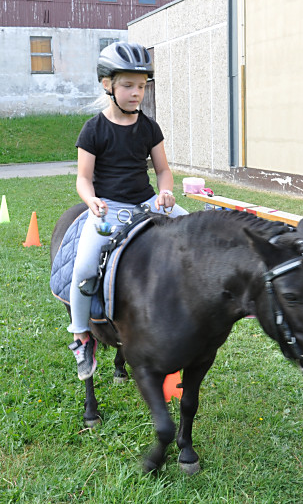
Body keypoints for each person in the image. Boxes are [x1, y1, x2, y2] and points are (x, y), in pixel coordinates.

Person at [67, 41, 188, 380]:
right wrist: (91, 201)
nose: (137, 93)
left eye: (142, 86)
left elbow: (163, 170)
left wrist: (166, 191)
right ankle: (81, 336)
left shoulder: (149, 127)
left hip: (146, 203)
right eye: (129, 85)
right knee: (84, 268)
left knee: (196, 232)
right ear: (108, 85)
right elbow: (83, 178)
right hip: (109, 208)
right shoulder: (93, 129)